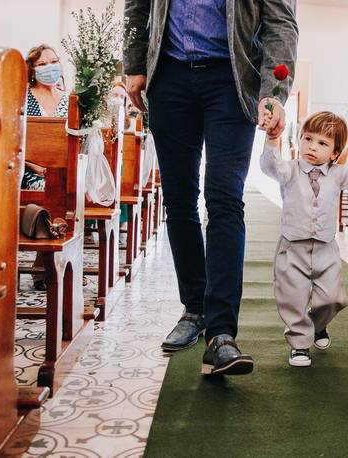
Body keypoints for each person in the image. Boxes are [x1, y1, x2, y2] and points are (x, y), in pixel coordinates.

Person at [124, 0, 298, 376]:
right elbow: (137, 8)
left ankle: (221, 333)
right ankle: (194, 309)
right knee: (178, 199)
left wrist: (274, 90)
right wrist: (134, 64)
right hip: (169, 74)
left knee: (224, 199)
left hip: (232, 78)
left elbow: (281, 23)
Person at [261, 111, 348, 367]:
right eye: (308, 139)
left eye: (322, 143)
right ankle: (300, 344)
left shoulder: (338, 174)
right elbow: (270, 166)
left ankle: (317, 325)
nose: (312, 147)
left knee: (333, 298)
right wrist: (272, 140)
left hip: (325, 248)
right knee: (292, 298)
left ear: (335, 152)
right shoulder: (290, 170)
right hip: (292, 247)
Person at [24, 44, 70, 290]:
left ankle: (51, 265)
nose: (49, 67)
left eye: (53, 62)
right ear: (32, 70)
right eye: (42, 64)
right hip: (30, 170)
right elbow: (15, 141)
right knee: (53, 192)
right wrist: (37, 168)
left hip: (62, 172)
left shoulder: (69, 98)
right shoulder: (24, 97)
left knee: (73, 192)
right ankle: (49, 267)